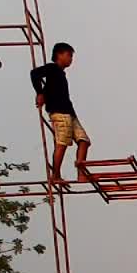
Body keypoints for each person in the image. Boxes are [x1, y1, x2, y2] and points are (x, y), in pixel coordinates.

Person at [30, 42, 91, 183]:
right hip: (59, 112)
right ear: (59, 55)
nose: (71, 59)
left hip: (69, 112)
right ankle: (55, 175)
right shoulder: (52, 68)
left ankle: (81, 173)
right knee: (62, 143)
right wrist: (39, 93)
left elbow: (51, 89)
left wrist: (43, 93)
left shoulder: (60, 74)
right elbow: (34, 74)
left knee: (84, 141)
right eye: (69, 55)